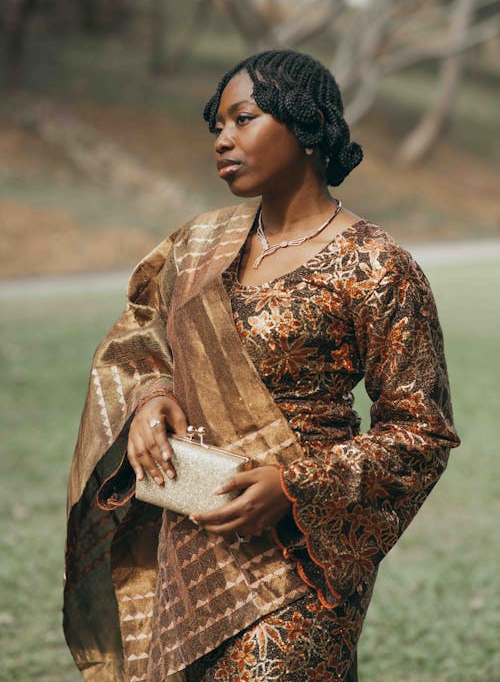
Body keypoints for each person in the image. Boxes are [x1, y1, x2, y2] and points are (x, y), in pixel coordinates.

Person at [64, 50, 459, 682]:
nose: (222, 139)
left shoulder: (378, 266)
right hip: (187, 538)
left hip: (298, 557)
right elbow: (141, 329)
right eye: (217, 125)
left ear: (304, 127)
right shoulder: (200, 245)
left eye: (242, 119)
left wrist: (294, 488)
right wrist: (149, 394)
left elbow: (421, 432)